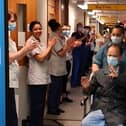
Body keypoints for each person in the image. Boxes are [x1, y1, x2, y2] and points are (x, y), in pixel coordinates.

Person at [81, 44, 126, 126]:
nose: (111, 58)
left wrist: (117, 79)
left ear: (120, 57)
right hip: (100, 108)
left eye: (114, 56)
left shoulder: (124, 74)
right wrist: (86, 87)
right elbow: (89, 91)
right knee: (86, 122)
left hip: (118, 109)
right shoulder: (99, 73)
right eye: (109, 55)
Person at [8, 11, 38, 126]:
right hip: (6, 81)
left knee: (12, 114)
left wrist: (26, 50)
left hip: (11, 80)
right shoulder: (3, 37)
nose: (14, 24)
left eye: (14, 21)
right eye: (11, 21)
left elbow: (15, 58)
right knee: (10, 115)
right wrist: (25, 49)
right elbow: (8, 58)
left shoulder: (9, 38)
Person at [47, 19, 81, 115]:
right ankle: (52, 108)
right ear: (57, 29)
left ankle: (56, 106)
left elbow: (66, 51)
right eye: (61, 29)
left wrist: (71, 45)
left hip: (60, 67)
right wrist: (69, 44)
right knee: (54, 89)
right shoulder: (54, 39)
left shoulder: (60, 38)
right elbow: (61, 53)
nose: (62, 30)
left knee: (59, 89)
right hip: (55, 68)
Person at [26, 21, 56, 126]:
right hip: (36, 80)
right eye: (35, 29)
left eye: (40, 28)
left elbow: (47, 57)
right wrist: (49, 47)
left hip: (43, 78)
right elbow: (40, 58)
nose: (38, 31)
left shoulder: (41, 42)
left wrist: (50, 47)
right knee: (36, 107)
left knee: (42, 106)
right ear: (31, 31)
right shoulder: (31, 42)